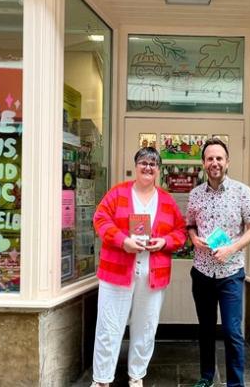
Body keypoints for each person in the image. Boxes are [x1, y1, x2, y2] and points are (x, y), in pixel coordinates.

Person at [91, 146, 187, 387]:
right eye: (143, 162)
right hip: (117, 271)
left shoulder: (166, 200)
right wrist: (123, 241)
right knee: (109, 325)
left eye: (153, 164)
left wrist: (164, 241)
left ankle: (137, 375)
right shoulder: (118, 193)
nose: (148, 167)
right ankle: (102, 379)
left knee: (146, 326)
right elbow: (100, 219)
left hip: (152, 274)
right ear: (136, 166)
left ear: (159, 170)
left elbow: (181, 232)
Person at [187, 137, 250, 387]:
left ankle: (235, 384)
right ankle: (206, 376)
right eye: (210, 158)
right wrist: (194, 239)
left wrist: (231, 249)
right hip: (202, 273)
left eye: (219, 158)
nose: (214, 163)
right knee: (206, 329)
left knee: (232, 331)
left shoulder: (242, 191)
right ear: (203, 163)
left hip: (230, 273)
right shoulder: (195, 194)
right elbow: (190, 225)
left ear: (227, 162)